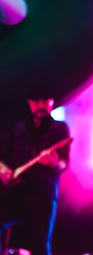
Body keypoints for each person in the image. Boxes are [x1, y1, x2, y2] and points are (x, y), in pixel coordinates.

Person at [0, 86, 70, 255]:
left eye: (45, 101)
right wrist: (2, 170)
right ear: (30, 103)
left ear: (51, 102)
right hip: (14, 192)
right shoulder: (18, 129)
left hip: (42, 197)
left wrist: (54, 163)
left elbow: (64, 163)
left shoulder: (60, 129)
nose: (40, 105)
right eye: (36, 101)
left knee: (41, 245)